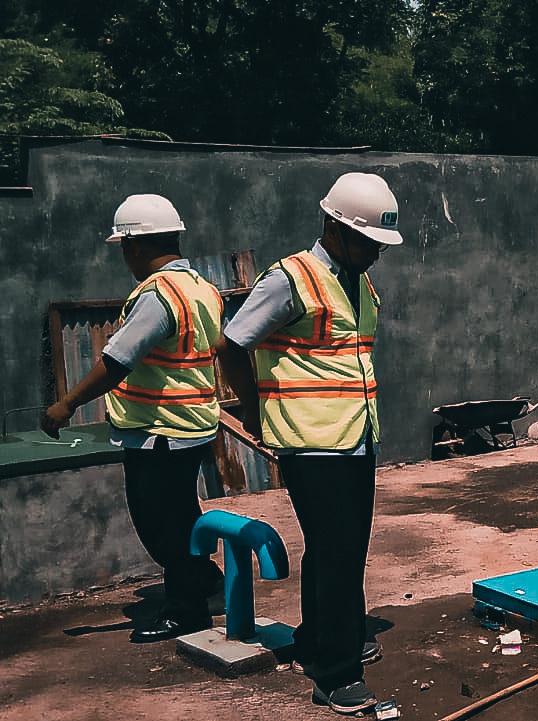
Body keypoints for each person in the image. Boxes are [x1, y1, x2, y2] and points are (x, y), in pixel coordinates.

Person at [215, 172, 401, 716]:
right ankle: (336, 674)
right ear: (336, 228)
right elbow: (232, 344)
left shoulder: (355, 279)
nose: (375, 254)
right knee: (340, 554)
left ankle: (321, 635)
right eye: (369, 242)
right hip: (310, 442)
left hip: (356, 436)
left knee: (340, 551)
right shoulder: (291, 280)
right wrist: (252, 413)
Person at [41, 194, 224, 643]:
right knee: (181, 515)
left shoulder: (158, 295)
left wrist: (65, 405)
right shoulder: (202, 288)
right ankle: (206, 583)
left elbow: (117, 359)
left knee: (161, 525)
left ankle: (187, 611)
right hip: (192, 424)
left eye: (124, 248)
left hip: (159, 431)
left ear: (134, 246)